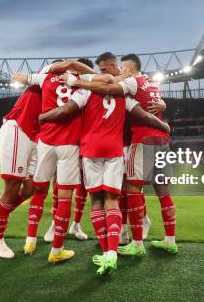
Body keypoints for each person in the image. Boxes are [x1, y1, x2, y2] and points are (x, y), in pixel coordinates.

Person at [39, 79, 170, 275]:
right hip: (115, 150)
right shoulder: (123, 95)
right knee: (114, 201)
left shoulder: (85, 92)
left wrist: (42, 116)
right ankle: (112, 253)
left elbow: (65, 110)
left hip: (91, 149)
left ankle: (105, 248)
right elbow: (143, 115)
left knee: (97, 201)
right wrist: (163, 125)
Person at [66, 53, 177, 256]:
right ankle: (153, 237)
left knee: (130, 189)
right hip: (153, 140)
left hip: (133, 141)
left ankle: (136, 239)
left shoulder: (129, 82)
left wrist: (76, 81)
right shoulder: (149, 82)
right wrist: (164, 117)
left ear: (123, 67)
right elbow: (150, 100)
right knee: (159, 191)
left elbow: (108, 88)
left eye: (120, 67)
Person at [10, 58, 96, 263]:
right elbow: (69, 109)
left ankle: (30, 240)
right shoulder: (82, 86)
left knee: (40, 190)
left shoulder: (44, 77)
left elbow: (19, 77)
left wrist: (22, 77)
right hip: (69, 145)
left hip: (45, 142)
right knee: (65, 196)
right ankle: (57, 251)